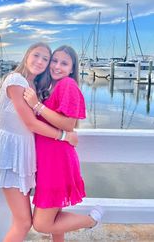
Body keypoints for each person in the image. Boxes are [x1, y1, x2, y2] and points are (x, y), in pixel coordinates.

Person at [0, 42, 79, 242]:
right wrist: (64, 135)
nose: (41, 62)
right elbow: (31, 124)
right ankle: (91, 220)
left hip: (26, 155)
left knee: (45, 216)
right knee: (24, 222)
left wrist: (64, 129)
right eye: (37, 55)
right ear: (26, 55)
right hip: (11, 155)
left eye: (46, 59)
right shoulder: (16, 80)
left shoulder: (35, 86)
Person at [23, 45, 103, 241]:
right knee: (55, 217)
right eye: (54, 61)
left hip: (57, 162)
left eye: (64, 63)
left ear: (72, 68)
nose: (57, 66)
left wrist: (36, 105)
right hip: (49, 160)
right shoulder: (52, 87)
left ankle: (91, 220)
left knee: (42, 223)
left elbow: (69, 124)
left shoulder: (67, 85)